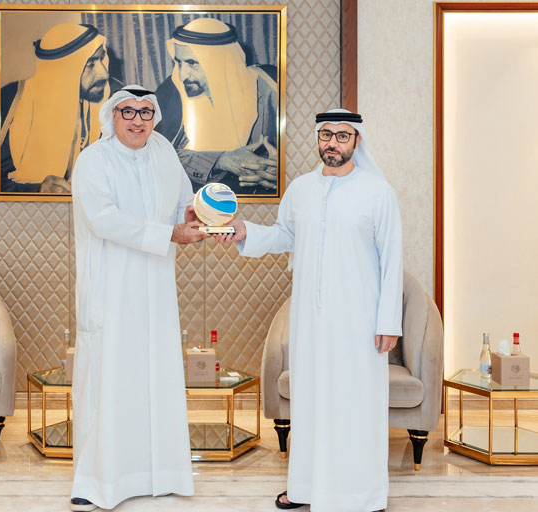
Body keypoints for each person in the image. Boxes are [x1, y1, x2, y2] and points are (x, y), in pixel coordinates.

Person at [216, 109, 402, 512]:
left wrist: (389, 321)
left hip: (359, 321)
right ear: (318, 139)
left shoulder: (378, 192)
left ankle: (362, 495)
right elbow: (285, 236)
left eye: (342, 136)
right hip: (311, 320)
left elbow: (392, 259)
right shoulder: (301, 189)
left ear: (356, 141)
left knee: (356, 402)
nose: (333, 143)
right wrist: (248, 231)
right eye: (326, 135)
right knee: (313, 401)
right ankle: (305, 489)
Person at [69, 85, 209, 511]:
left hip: (156, 290)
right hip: (112, 290)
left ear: (154, 118)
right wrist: (170, 233)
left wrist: (192, 218)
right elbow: (103, 219)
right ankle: (97, 481)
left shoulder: (163, 152)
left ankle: (159, 475)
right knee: (109, 380)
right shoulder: (93, 160)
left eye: (146, 112)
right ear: (113, 116)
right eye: (128, 111)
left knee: (156, 377)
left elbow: (182, 201)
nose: (137, 120)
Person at [155, 17, 280, 194]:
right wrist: (220, 160)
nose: (182, 75)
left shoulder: (272, 86)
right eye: (179, 62)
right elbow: (155, 155)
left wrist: (281, 170)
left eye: (192, 63)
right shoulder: (171, 91)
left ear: (221, 61)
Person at [0, 23, 114, 193]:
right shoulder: (10, 102)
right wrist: (37, 190)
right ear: (62, 70)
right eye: (90, 64)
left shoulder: (106, 103)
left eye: (102, 59)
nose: (104, 73)